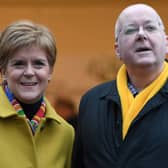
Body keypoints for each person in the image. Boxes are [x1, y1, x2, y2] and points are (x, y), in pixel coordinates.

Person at [72, 3, 168, 168]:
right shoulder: (92, 101)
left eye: (150, 28)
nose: (141, 35)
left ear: (166, 43)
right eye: (130, 30)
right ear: (117, 49)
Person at [0, 20, 74, 168]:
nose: (29, 72)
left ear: (50, 71)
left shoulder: (65, 133)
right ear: (3, 71)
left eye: (38, 63)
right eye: (18, 64)